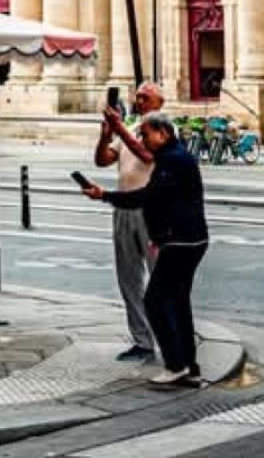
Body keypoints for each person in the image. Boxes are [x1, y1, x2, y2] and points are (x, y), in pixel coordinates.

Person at [84, 113, 208, 386]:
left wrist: (104, 195)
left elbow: (146, 197)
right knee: (178, 302)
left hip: (181, 241)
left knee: (155, 300)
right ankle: (190, 365)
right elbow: (163, 200)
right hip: (189, 239)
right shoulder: (175, 155)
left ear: (163, 134)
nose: (142, 139)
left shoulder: (172, 159)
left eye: (146, 134)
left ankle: (176, 364)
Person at [94, 81, 165, 362]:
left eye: (145, 97)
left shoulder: (162, 127)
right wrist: (106, 135)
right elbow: (103, 160)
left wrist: (120, 129)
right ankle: (142, 340)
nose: (140, 101)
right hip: (123, 206)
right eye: (137, 97)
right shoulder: (133, 128)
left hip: (151, 210)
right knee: (128, 279)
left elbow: (147, 155)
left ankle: (168, 337)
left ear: (160, 101)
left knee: (160, 279)